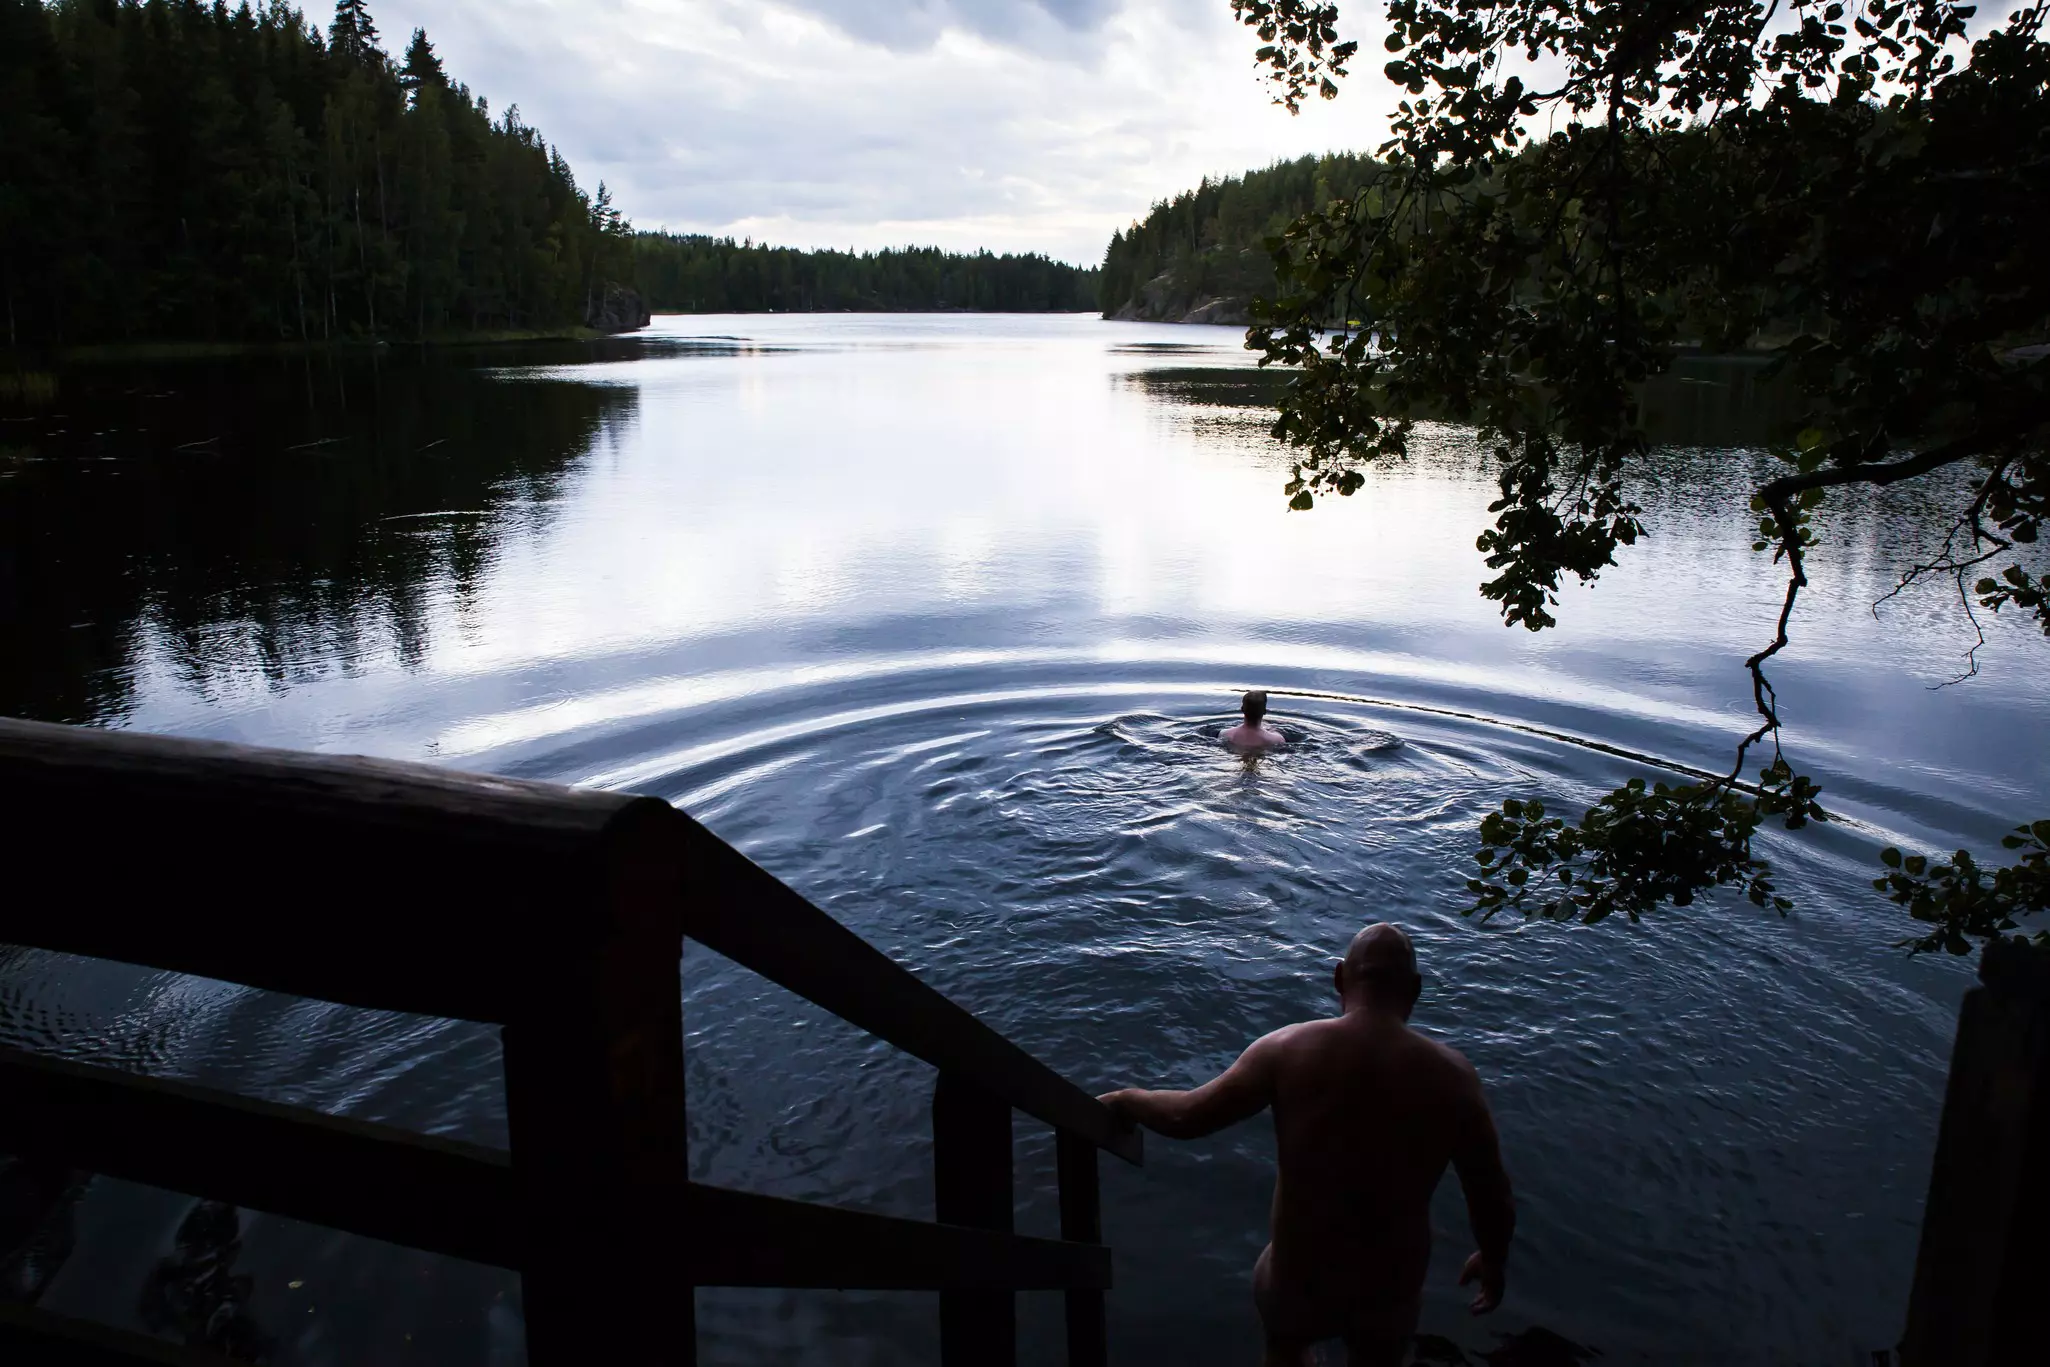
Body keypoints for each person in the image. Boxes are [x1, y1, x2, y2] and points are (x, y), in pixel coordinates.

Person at [1097, 924, 1516, 1367]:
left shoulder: (1288, 1048)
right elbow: (1491, 1195)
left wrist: (1127, 1100)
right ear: (1415, 989)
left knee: (1286, 1348)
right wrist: (1494, 1260)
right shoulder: (1454, 1077)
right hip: (1389, 1288)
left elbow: (1186, 1117)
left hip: (1300, 1280)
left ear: (1339, 979)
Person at [1222, 689, 1287, 751]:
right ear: (1264, 711)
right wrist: (1271, 728)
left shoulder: (1225, 734)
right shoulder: (1277, 739)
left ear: (1242, 709)